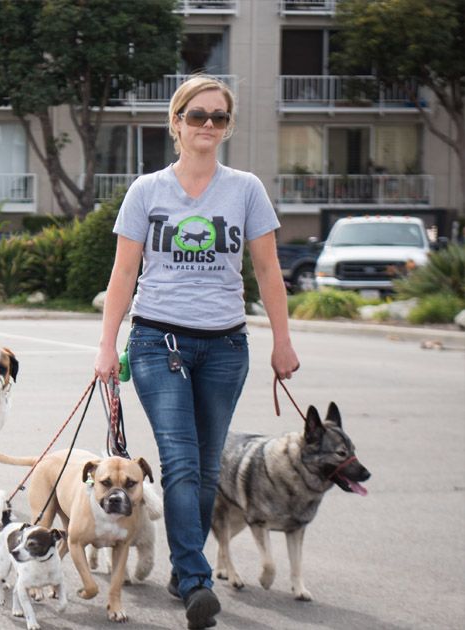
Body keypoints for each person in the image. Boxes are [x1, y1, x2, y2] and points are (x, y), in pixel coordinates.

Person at [94, 76, 299, 630]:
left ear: (227, 127)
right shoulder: (146, 191)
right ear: (176, 121)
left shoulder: (246, 189)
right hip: (159, 341)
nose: (207, 125)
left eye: (218, 118)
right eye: (197, 115)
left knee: (207, 470)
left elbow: (265, 270)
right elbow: (123, 271)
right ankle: (196, 578)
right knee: (181, 462)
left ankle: (184, 571)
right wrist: (107, 344)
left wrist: (282, 340)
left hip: (227, 347)